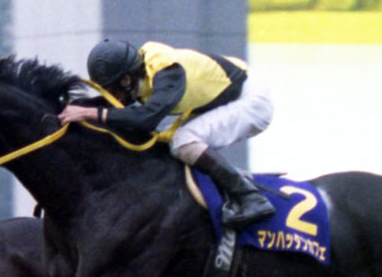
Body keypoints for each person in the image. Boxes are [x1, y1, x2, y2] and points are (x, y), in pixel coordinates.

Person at [58, 40, 275, 229]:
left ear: (126, 80)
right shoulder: (139, 75)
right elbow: (118, 112)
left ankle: (251, 197)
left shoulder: (168, 72)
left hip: (250, 101)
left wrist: (91, 113)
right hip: (222, 96)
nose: (113, 97)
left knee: (183, 141)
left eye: (112, 90)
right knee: (167, 141)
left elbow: (146, 118)